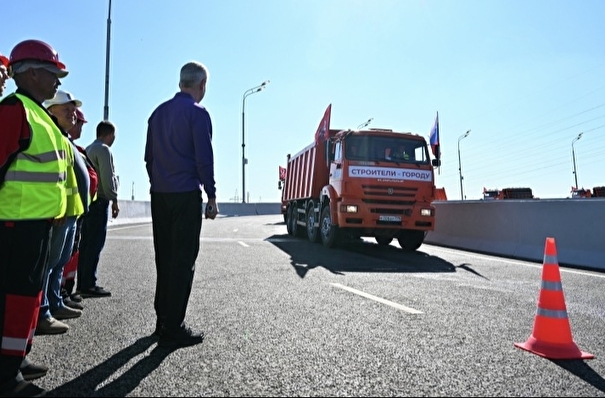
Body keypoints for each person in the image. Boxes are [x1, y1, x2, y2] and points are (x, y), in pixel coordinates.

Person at [0, 39, 71, 397]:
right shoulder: (15, 110)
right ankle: (4, 376)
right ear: (29, 73)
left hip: (37, 222)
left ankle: (18, 355)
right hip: (14, 224)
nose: (58, 80)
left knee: (29, 294)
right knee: (13, 297)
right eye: (52, 73)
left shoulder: (39, 112)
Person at [145, 61, 218, 348]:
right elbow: (204, 158)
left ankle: (161, 320)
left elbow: (149, 158)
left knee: (164, 258)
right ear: (201, 85)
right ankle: (173, 327)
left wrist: (159, 182)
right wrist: (211, 196)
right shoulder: (198, 114)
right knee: (183, 260)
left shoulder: (157, 114)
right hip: (186, 194)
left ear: (180, 83)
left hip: (159, 194)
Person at [34, 90, 90, 336]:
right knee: (48, 264)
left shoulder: (64, 138)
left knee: (59, 263)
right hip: (58, 212)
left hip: (70, 211)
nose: (73, 113)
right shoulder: (53, 135)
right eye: (66, 108)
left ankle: (54, 302)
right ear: (51, 111)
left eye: (73, 109)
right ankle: (43, 311)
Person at [76, 120, 119, 298]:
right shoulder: (104, 150)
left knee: (85, 244)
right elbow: (108, 181)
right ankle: (89, 284)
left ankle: (82, 282)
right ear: (109, 134)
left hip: (88, 201)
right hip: (100, 201)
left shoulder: (88, 149)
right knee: (95, 244)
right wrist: (114, 198)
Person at [61, 108, 98, 309]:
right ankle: (59, 293)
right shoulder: (66, 145)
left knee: (72, 253)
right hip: (66, 209)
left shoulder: (78, 149)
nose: (81, 127)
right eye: (80, 124)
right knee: (62, 257)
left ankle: (65, 290)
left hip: (78, 209)